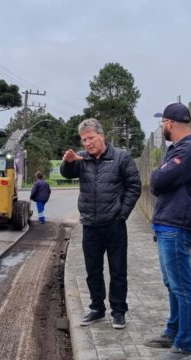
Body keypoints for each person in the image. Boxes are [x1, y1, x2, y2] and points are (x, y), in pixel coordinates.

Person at [60, 118, 141, 329]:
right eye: (84, 139)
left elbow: (134, 186)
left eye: (91, 138)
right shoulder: (82, 159)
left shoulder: (121, 157)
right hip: (90, 224)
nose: (87, 143)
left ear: (102, 136)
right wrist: (68, 161)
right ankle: (97, 307)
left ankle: (119, 311)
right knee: (92, 270)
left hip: (114, 225)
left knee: (118, 269)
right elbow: (67, 174)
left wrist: (121, 214)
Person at [145, 103, 191, 360]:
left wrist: (158, 173)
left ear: (170, 123)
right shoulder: (177, 150)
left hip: (177, 224)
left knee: (182, 285)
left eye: (163, 124)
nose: (162, 128)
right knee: (172, 283)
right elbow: (160, 181)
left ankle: (184, 346)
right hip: (166, 223)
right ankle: (172, 332)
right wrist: (160, 173)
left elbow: (157, 182)